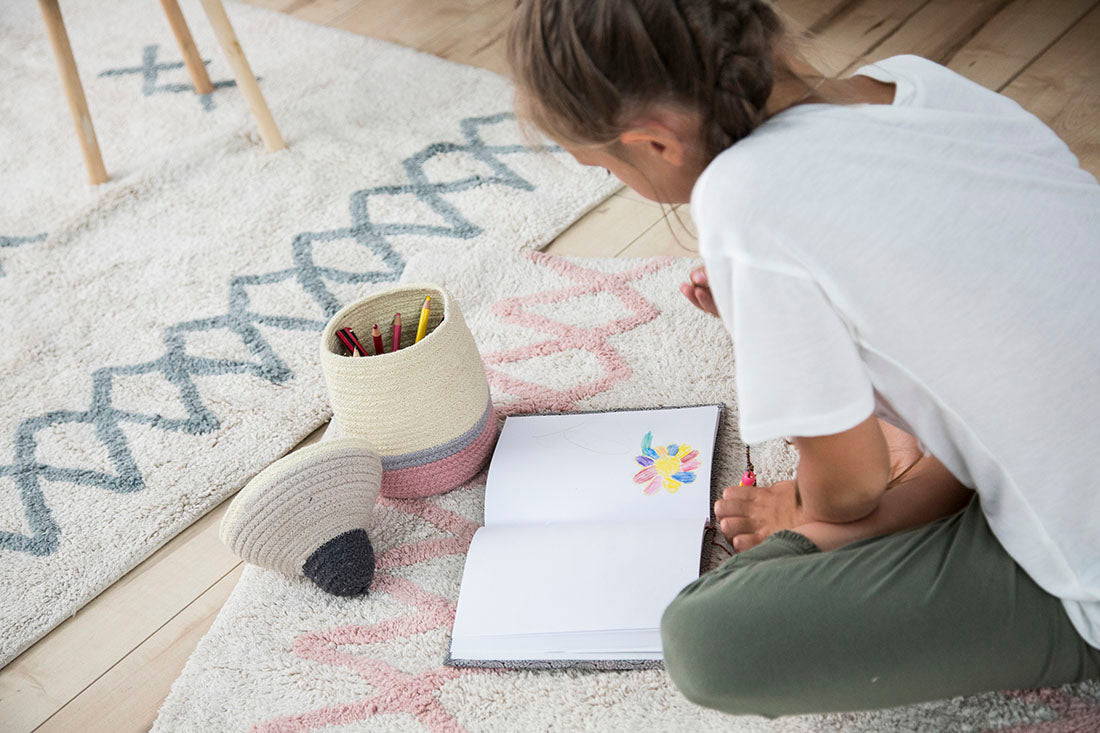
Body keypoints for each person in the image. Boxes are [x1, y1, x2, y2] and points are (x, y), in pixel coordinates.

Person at [507, 0, 1100, 718]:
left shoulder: (740, 195)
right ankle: (917, 455)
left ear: (656, 143)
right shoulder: (915, 83)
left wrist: (797, 506)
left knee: (707, 637)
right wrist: (788, 326)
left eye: (607, 166)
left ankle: (913, 466)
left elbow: (847, 489)